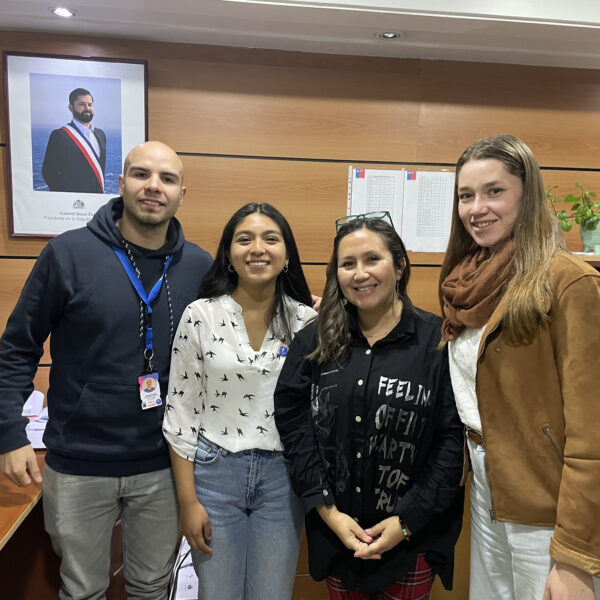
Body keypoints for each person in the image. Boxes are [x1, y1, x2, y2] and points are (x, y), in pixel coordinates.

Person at [0, 140, 212, 599]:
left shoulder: (198, 265)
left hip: (164, 462)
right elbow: (18, 347)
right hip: (79, 462)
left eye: (167, 179)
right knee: (82, 590)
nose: (153, 187)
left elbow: (239, 325)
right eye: (141, 174)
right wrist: (9, 433)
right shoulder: (68, 254)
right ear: (120, 184)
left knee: (153, 587)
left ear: (181, 194)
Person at [439, 134, 600, 600]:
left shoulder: (568, 282)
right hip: (488, 488)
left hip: (547, 501)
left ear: (526, 196)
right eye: (466, 195)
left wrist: (574, 555)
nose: (477, 208)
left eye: (494, 191)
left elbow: (592, 435)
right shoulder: (466, 281)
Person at [274, 213, 464, 599]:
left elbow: (451, 443)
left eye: (372, 259)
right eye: (348, 264)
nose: (360, 273)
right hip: (338, 535)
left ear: (399, 265)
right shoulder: (315, 342)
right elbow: (294, 425)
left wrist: (406, 522)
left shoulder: (437, 343)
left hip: (413, 541)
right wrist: (327, 511)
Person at [163, 202, 317, 600]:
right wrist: (187, 501)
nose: (257, 248)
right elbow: (181, 413)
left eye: (271, 238)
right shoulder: (201, 315)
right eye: (244, 239)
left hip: (283, 480)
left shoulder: (307, 322)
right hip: (215, 475)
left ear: (286, 255)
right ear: (229, 254)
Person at [42, 87, 107, 193]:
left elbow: (100, 171)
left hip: (96, 200)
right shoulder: (60, 135)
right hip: (72, 203)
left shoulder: (100, 135)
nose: (87, 108)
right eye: (81, 104)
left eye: (90, 105)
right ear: (71, 107)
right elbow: (48, 172)